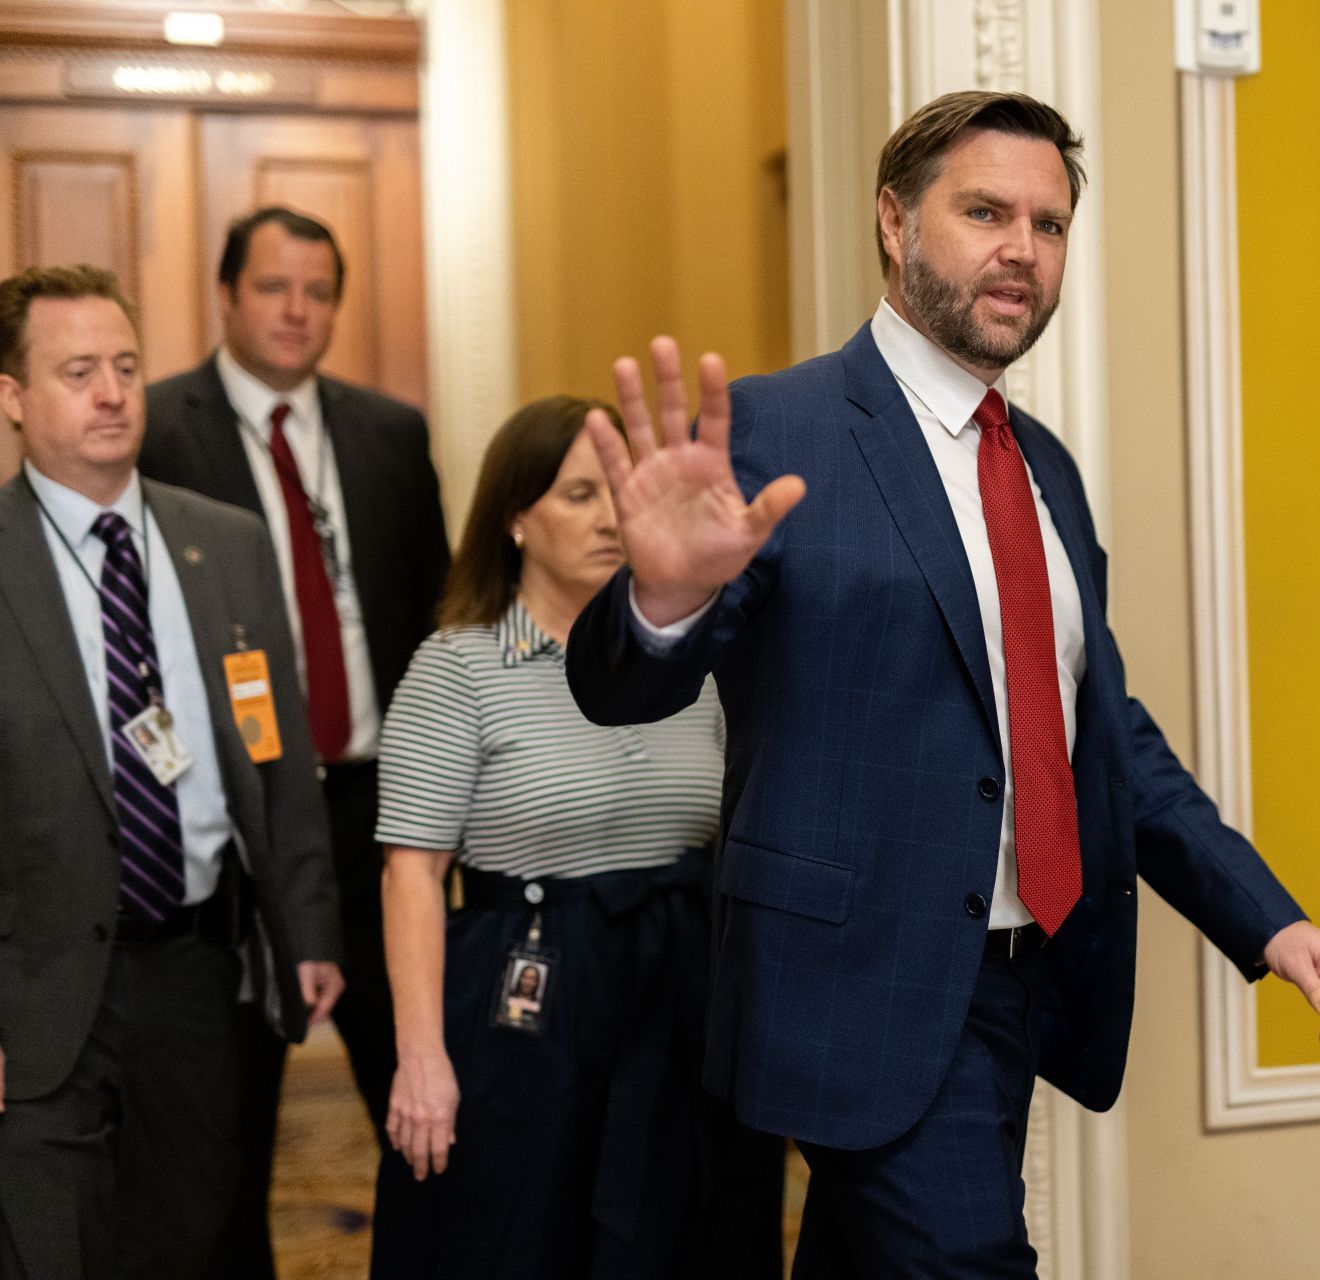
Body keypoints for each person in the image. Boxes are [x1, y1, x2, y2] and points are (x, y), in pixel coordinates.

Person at [565, 90, 1320, 1277]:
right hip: (853, 984)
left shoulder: (1043, 468)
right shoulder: (778, 429)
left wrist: (1268, 918)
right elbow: (618, 690)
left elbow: (1101, 739)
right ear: (895, 223)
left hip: (1019, 983)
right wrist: (665, 600)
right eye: (986, 210)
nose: (1023, 249)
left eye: (1048, 225)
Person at [371, 396, 784, 1279]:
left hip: (682, 998)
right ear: (515, 518)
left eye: (619, 494)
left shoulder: (698, 658)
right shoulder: (458, 666)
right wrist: (418, 1058)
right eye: (577, 496)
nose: (608, 518)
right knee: (522, 1239)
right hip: (527, 1001)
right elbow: (411, 873)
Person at [0, 263, 344, 1280]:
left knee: (192, 1238)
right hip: (36, 987)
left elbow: (280, 756)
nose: (111, 392)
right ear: (13, 399)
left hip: (199, 969)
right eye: (76, 371)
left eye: (125, 366)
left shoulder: (224, 544)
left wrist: (311, 924)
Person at [139, 205, 451, 1272]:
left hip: (377, 806)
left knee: (422, 1092)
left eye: (318, 291)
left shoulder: (389, 433)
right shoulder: (151, 429)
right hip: (234, 813)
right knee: (222, 1123)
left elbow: (432, 621)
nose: (296, 311)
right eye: (274, 287)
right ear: (226, 294)